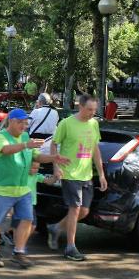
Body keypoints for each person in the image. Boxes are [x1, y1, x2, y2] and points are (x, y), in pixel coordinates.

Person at [0, 109, 68, 269]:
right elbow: (5, 150)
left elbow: (36, 156)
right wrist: (26, 144)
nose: (24, 126)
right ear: (11, 121)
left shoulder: (25, 136)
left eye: (26, 123)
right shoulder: (0, 137)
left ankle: (19, 252)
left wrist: (53, 158)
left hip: (23, 189)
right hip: (2, 189)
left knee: (28, 219)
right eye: (21, 123)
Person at [48, 94, 107, 261]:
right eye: (89, 109)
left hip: (86, 174)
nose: (92, 113)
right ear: (80, 106)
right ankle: (70, 247)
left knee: (84, 211)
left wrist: (101, 174)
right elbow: (54, 144)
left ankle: (56, 228)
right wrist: (56, 167)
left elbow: (95, 149)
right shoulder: (66, 123)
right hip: (69, 172)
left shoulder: (94, 124)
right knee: (75, 208)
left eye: (94, 110)